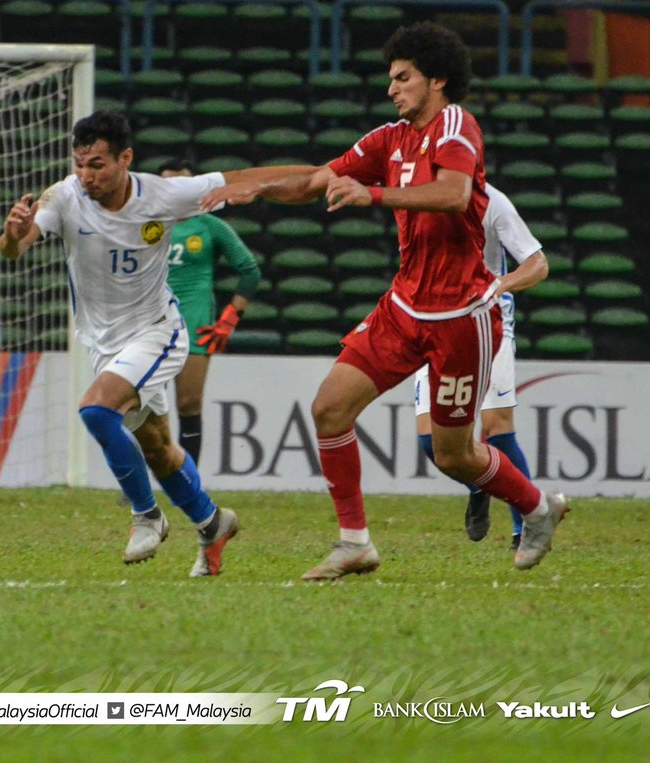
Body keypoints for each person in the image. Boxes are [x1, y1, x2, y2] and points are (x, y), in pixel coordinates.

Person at [200, 22, 571, 579]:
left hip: (460, 317)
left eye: (403, 78)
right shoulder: (389, 138)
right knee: (329, 408)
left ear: (437, 80)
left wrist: (371, 193)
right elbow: (315, 180)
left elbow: (454, 194)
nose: (392, 89)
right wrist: (252, 187)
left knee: (453, 455)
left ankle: (537, 506)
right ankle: (354, 541)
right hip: (405, 307)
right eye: (391, 79)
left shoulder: (456, 126)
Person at [0, 111, 260, 577]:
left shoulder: (161, 195)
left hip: (158, 330)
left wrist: (322, 176)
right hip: (105, 343)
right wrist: (13, 235)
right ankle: (212, 521)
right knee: (159, 449)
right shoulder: (63, 196)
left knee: (96, 410)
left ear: (125, 159)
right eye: (80, 163)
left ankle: (147, 516)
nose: (86, 175)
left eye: (97, 164)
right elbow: (14, 249)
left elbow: (239, 181)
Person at [413, 183, 548, 551]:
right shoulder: (419, 196)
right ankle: (478, 483)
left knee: (498, 429)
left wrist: (499, 285)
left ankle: (526, 528)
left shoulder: (494, 203)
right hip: (435, 325)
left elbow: (537, 264)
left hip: (491, 328)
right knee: (430, 442)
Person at [159, 159, 262, 465]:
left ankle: (187, 483)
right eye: (168, 185)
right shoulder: (144, 224)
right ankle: (140, 487)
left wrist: (228, 320)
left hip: (194, 323)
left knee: (188, 404)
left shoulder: (209, 225)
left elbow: (250, 271)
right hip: (148, 322)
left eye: (184, 184)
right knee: (142, 406)